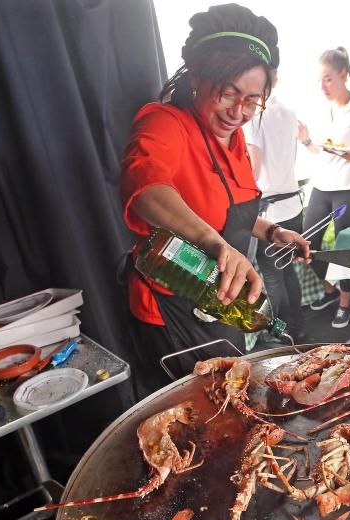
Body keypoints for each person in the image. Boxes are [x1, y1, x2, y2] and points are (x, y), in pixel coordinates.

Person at [119, 4, 310, 396]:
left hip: (223, 301)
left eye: (252, 101)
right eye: (228, 94)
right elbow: (147, 191)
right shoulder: (165, 123)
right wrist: (217, 245)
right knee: (194, 414)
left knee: (232, 396)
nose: (238, 112)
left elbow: (227, 211)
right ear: (197, 77)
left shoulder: (234, 139)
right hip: (174, 303)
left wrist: (272, 230)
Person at [299, 47, 350, 329]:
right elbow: (319, 151)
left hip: (348, 189)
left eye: (328, 79)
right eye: (319, 80)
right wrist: (306, 140)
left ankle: (345, 303)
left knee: (343, 249)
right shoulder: (322, 108)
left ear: (344, 75)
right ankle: (330, 291)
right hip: (321, 187)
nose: (322, 86)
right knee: (306, 244)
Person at [243, 77, 306, 342]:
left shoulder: (256, 116)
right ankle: (298, 326)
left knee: (272, 275)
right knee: (288, 270)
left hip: (271, 211)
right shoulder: (289, 113)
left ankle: (279, 333)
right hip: (293, 203)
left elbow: (253, 170)